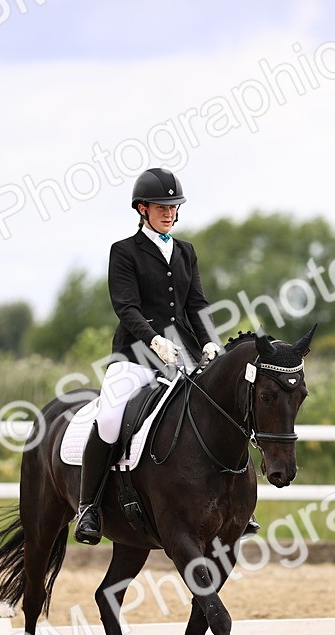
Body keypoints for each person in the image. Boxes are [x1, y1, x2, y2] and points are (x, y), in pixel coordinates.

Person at [73, 167, 221, 545]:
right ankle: (88, 507)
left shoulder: (186, 251)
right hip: (135, 353)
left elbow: (197, 304)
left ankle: (231, 506)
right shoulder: (123, 252)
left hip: (183, 354)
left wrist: (208, 342)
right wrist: (154, 340)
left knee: (218, 411)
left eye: (174, 206)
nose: (169, 212)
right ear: (142, 209)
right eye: (161, 207)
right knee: (108, 417)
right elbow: (126, 307)